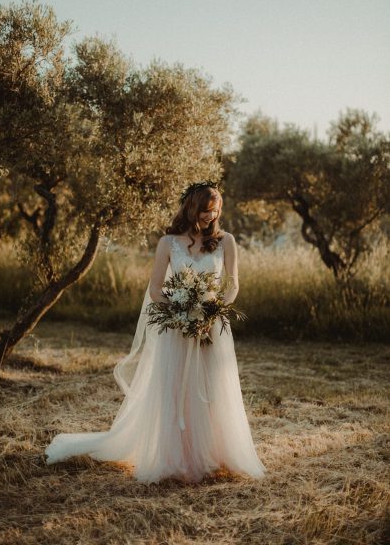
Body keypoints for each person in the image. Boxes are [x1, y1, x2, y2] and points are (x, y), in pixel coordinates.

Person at [45, 181, 266, 485]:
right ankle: (178, 459)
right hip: (176, 329)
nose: (209, 216)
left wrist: (213, 312)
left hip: (211, 329)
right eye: (204, 210)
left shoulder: (226, 241)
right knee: (177, 391)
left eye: (214, 211)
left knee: (212, 390)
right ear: (191, 208)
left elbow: (233, 284)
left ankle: (217, 453)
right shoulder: (168, 243)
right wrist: (180, 314)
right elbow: (155, 289)